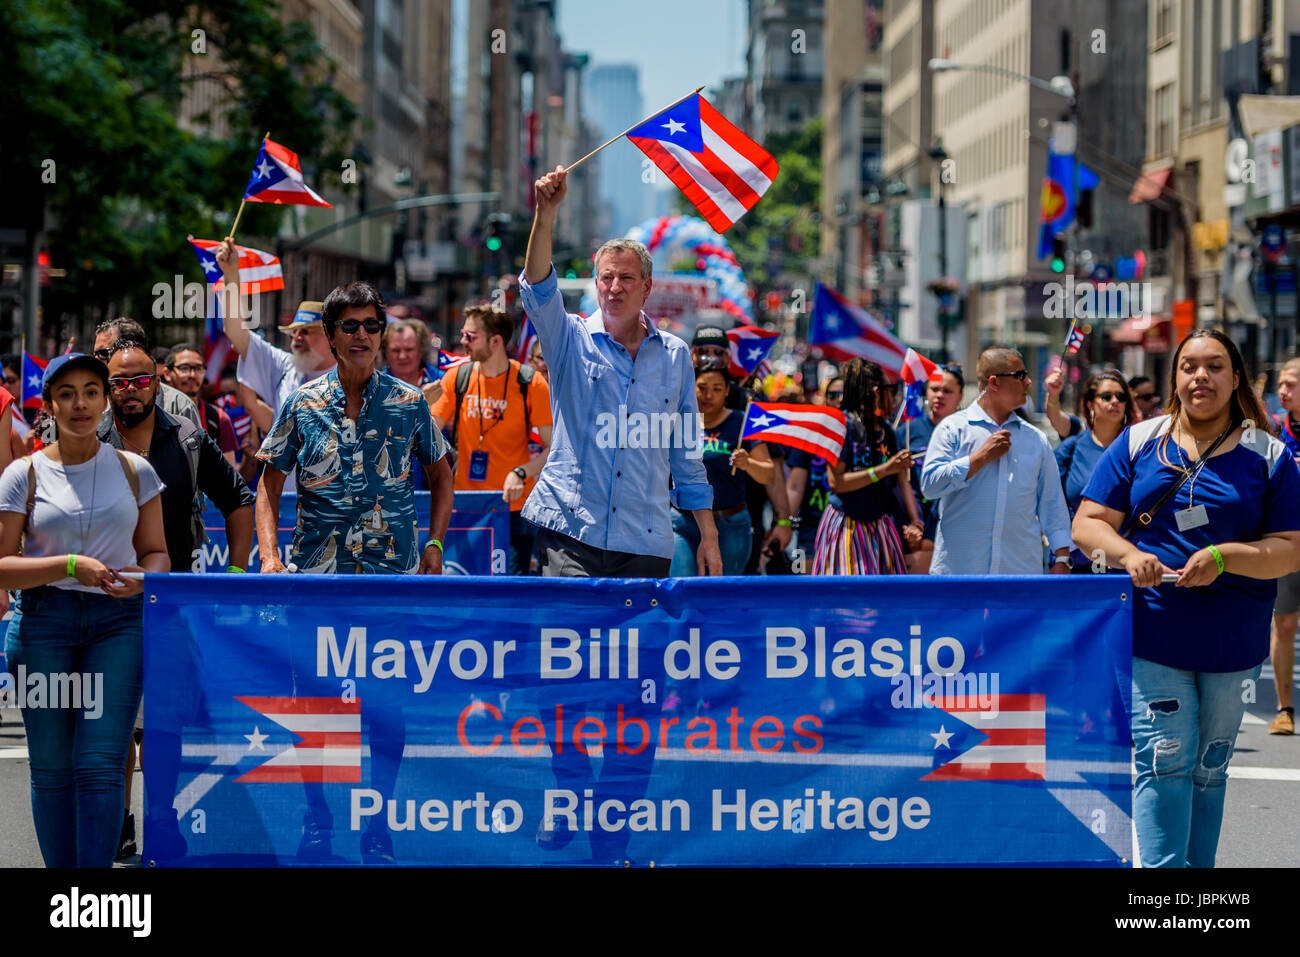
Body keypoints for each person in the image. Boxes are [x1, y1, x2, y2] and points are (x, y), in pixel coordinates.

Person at [1072, 329, 1300, 867]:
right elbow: (1087, 524)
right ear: (1175, 377)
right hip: (1155, 632)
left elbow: (1289, 550)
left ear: (1236, 377)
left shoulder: (1268, 455)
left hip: (1234, 640)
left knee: (1210, 765)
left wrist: (1226, 557)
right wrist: (1129, 555)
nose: (1202, 376)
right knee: (1163, 759)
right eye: (1190, 366)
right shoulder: (1137, 441)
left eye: (1216, 366)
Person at [0, 353, 169, 867]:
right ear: (49, 404)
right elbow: (3, 566)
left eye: (91, 391)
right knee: (51, 767)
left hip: (117, 627)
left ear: (105, 400)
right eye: (67, 393)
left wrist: (141, 583)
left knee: (100, 763)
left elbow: (157, 552)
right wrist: (71, 565)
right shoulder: (21, 474)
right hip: (42, 625)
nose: (80, 404)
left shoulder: (135, 469)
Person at [520, 165, 720, 577]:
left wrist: (708, 536)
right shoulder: (568, 339)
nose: (615, 287)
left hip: (644, 540)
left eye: (626, 278)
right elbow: (538, 285)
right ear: (595, 284)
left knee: (637, 644)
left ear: (647, 287)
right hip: (571, 533)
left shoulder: (676, 355)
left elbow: (686, 453)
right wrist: (546, 213)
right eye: (606, 278)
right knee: (571, 640)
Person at [255, 280, 453, 575]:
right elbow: (268, 485)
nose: (362, 334)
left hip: (392, 573)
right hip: (318, 575)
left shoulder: (409, 402)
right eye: (350, 326)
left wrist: (434, 545)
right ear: (331, 336)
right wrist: (269, 557)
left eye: (371, 326)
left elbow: (441, 477)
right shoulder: (302, 403)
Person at [99, 338, 254, 575]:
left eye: (141, 381)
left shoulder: (187, 438)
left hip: (175, 592)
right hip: (105, 593)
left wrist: (236, 573)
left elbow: (238, 500)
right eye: (120, 382)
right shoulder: (92, 441)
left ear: (157, 385)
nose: (131, 388)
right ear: (107, 388)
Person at [921, 346, 1073, 575]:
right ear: (994, 382)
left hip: (1019, 577)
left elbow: (1052, 505)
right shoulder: (952, 429)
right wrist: (980, 457)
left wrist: (1062, 559)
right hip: (960, 576)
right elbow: (930, 486)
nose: (1029, 382)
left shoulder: (1036, 439)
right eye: (1020, 375)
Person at [428, 304, 554, 574]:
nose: (463, 341)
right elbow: (428, 434)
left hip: (512, 509)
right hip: (464, 505)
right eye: (463, 333)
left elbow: (552, 448)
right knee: (462, 584)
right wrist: (418, 405)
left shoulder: (530, 383)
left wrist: (521, 473)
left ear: (495, 341)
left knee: (508, 594)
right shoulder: (457, 377)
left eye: (470, 336)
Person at [813, 358, 920, 575]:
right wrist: (884, 470)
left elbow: (902, 481)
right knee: (849, 601)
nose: (882, 392)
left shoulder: (888, 431)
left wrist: (915, 520)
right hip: (846, 527)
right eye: (884, 388)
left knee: (885, 598)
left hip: (879, 526)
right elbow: (836, 483)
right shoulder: (842, 426)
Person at [671, 358, 775, 575]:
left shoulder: (743, 421)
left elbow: (767, 474)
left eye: (717, 389)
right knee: (682, 593)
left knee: (722, 597)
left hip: (731, 525)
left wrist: (748, 463)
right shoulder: (676, 420)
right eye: (702, 388)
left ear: (727, 390)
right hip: (682, 523)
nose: (708, 395)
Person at [1054, 370, 1138, 570]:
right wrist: (1061, 557)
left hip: (1127, 564)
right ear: (1090, 404)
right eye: (1106, 396)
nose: (1115, 401)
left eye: (1121, 397)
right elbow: (1052, 504)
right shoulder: (1071, 448)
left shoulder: (1139, 448)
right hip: (1077, 563)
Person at [91, 319, 202, 435]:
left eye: (103, 353)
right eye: (119, 383)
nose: (130, 388)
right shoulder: (93, 402)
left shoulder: (180, 406)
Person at [904, 363, 964, 574]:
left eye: (947, 391)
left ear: (960, 396)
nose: (939, 395)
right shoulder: (907, 431)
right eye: (934, 389)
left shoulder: (967, 432)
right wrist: (914, 524)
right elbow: (898, 483)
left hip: (951, 531)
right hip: (911, 534)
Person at [1268, 357, 1300, 734]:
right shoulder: (1274, 429)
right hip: (1287, 539)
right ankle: (1284, 708)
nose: (1282, 390)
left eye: (1290, 383)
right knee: (1285, 622)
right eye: (1281, 383)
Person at [786, 375, 842, 572]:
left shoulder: (860, 434)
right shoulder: (810, 435)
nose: (840, 399)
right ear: (826, 399)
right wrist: (784, 523)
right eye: (834, 394)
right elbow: (794, 486)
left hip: (847, 532)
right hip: (809, 532)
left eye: (845, 394)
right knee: (801, 587)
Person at [162, 345, 239, 467]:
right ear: (167, 373)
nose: (192, 374)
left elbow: (229, 476)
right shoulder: (156, 414)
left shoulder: (218, 418)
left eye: (198, 368)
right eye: (184, 368)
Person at [383, 318, 437, 389]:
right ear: (385, 352)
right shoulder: (373, 386)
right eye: (396, 350)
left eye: (409, 350)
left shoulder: (444, 381)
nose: (402, 356)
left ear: (421, 350)